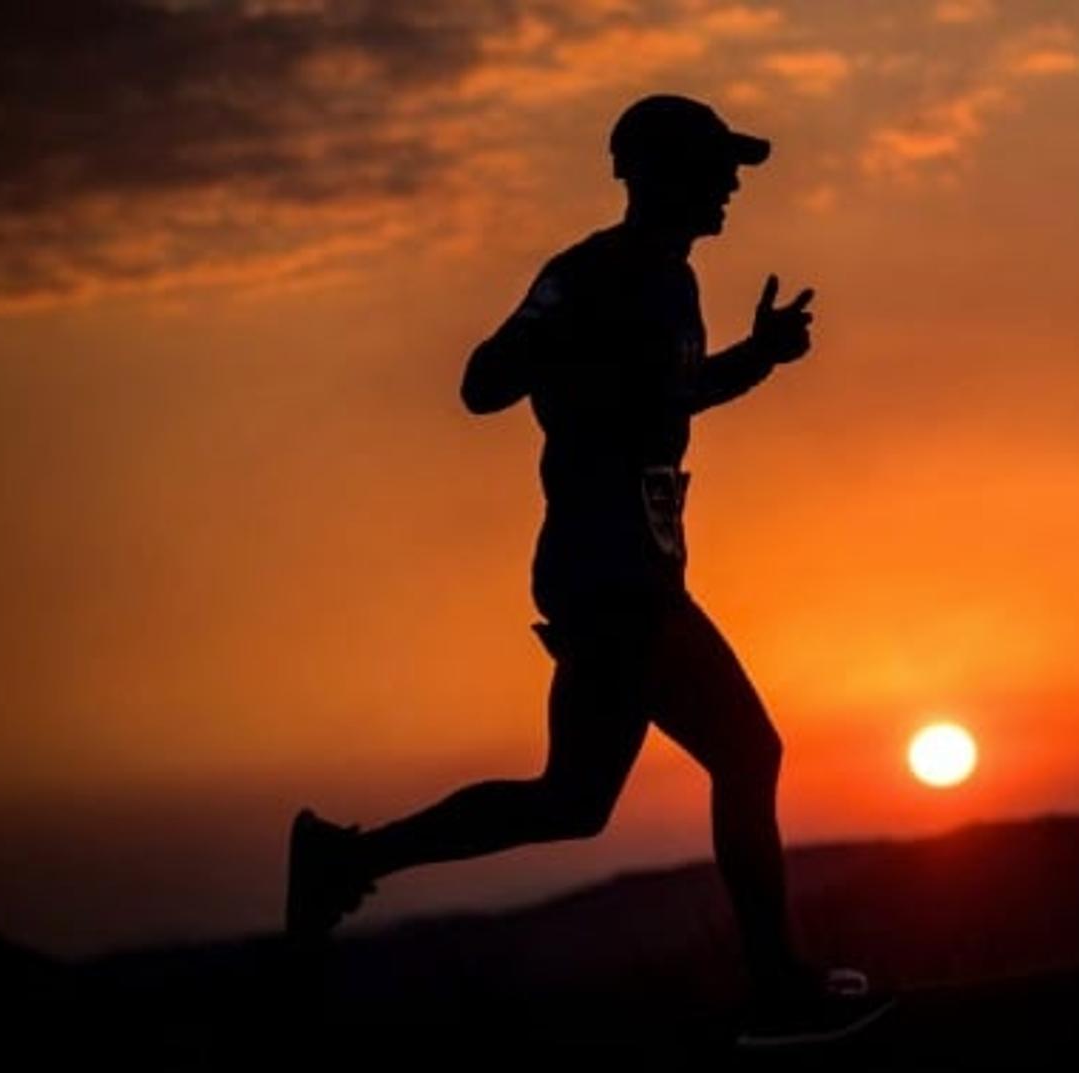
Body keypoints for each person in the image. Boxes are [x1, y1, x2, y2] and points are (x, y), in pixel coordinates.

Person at [283, 94, 893, 1047]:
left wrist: (759, 357)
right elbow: (484, 383)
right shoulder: (594, 271)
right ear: (657, 174)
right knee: (748, 752)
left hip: (625, 572)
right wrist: (562, 344)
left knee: (571, 801)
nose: (733, 184)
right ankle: (778, 990)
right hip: (609, 575)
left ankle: (343, 859)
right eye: (716, 166)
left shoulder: (672, 282)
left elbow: (675, 393)